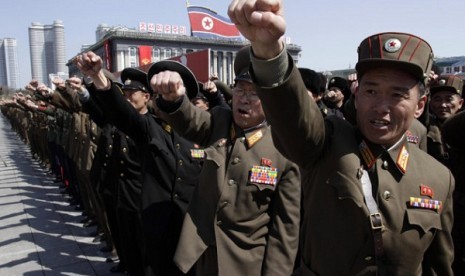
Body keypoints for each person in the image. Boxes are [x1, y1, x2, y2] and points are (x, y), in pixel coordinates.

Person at [228, 1, 454, 275]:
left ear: (420, 105)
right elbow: (295, 116)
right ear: (356, 96)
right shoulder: (327, 142)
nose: (381, 106)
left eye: (397, 95)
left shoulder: (439, 178)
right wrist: (268, 51)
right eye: (371, 91)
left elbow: (438, 266)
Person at [151, 48, 301, 276]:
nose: (244, 99)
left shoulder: (285, 150)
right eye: (240, 89)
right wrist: (174, 100)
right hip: (201, 253)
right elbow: (191, 120)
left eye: (255, 93)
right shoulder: (219, 121)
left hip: (244, 263)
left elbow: (285, 229)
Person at [74, 52, 203, 276]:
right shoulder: (149, 128)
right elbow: (122, 114)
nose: (166, 97)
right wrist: (98, 78)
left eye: (173, 91)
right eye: (161, 93)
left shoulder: (203, 133)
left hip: (194, 233)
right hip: (158, 232)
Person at [427, 75, 464, 167]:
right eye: (437, 99)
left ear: (460, 103)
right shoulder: (425, 127)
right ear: (430, 103)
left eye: (449, 99)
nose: (443, 105)